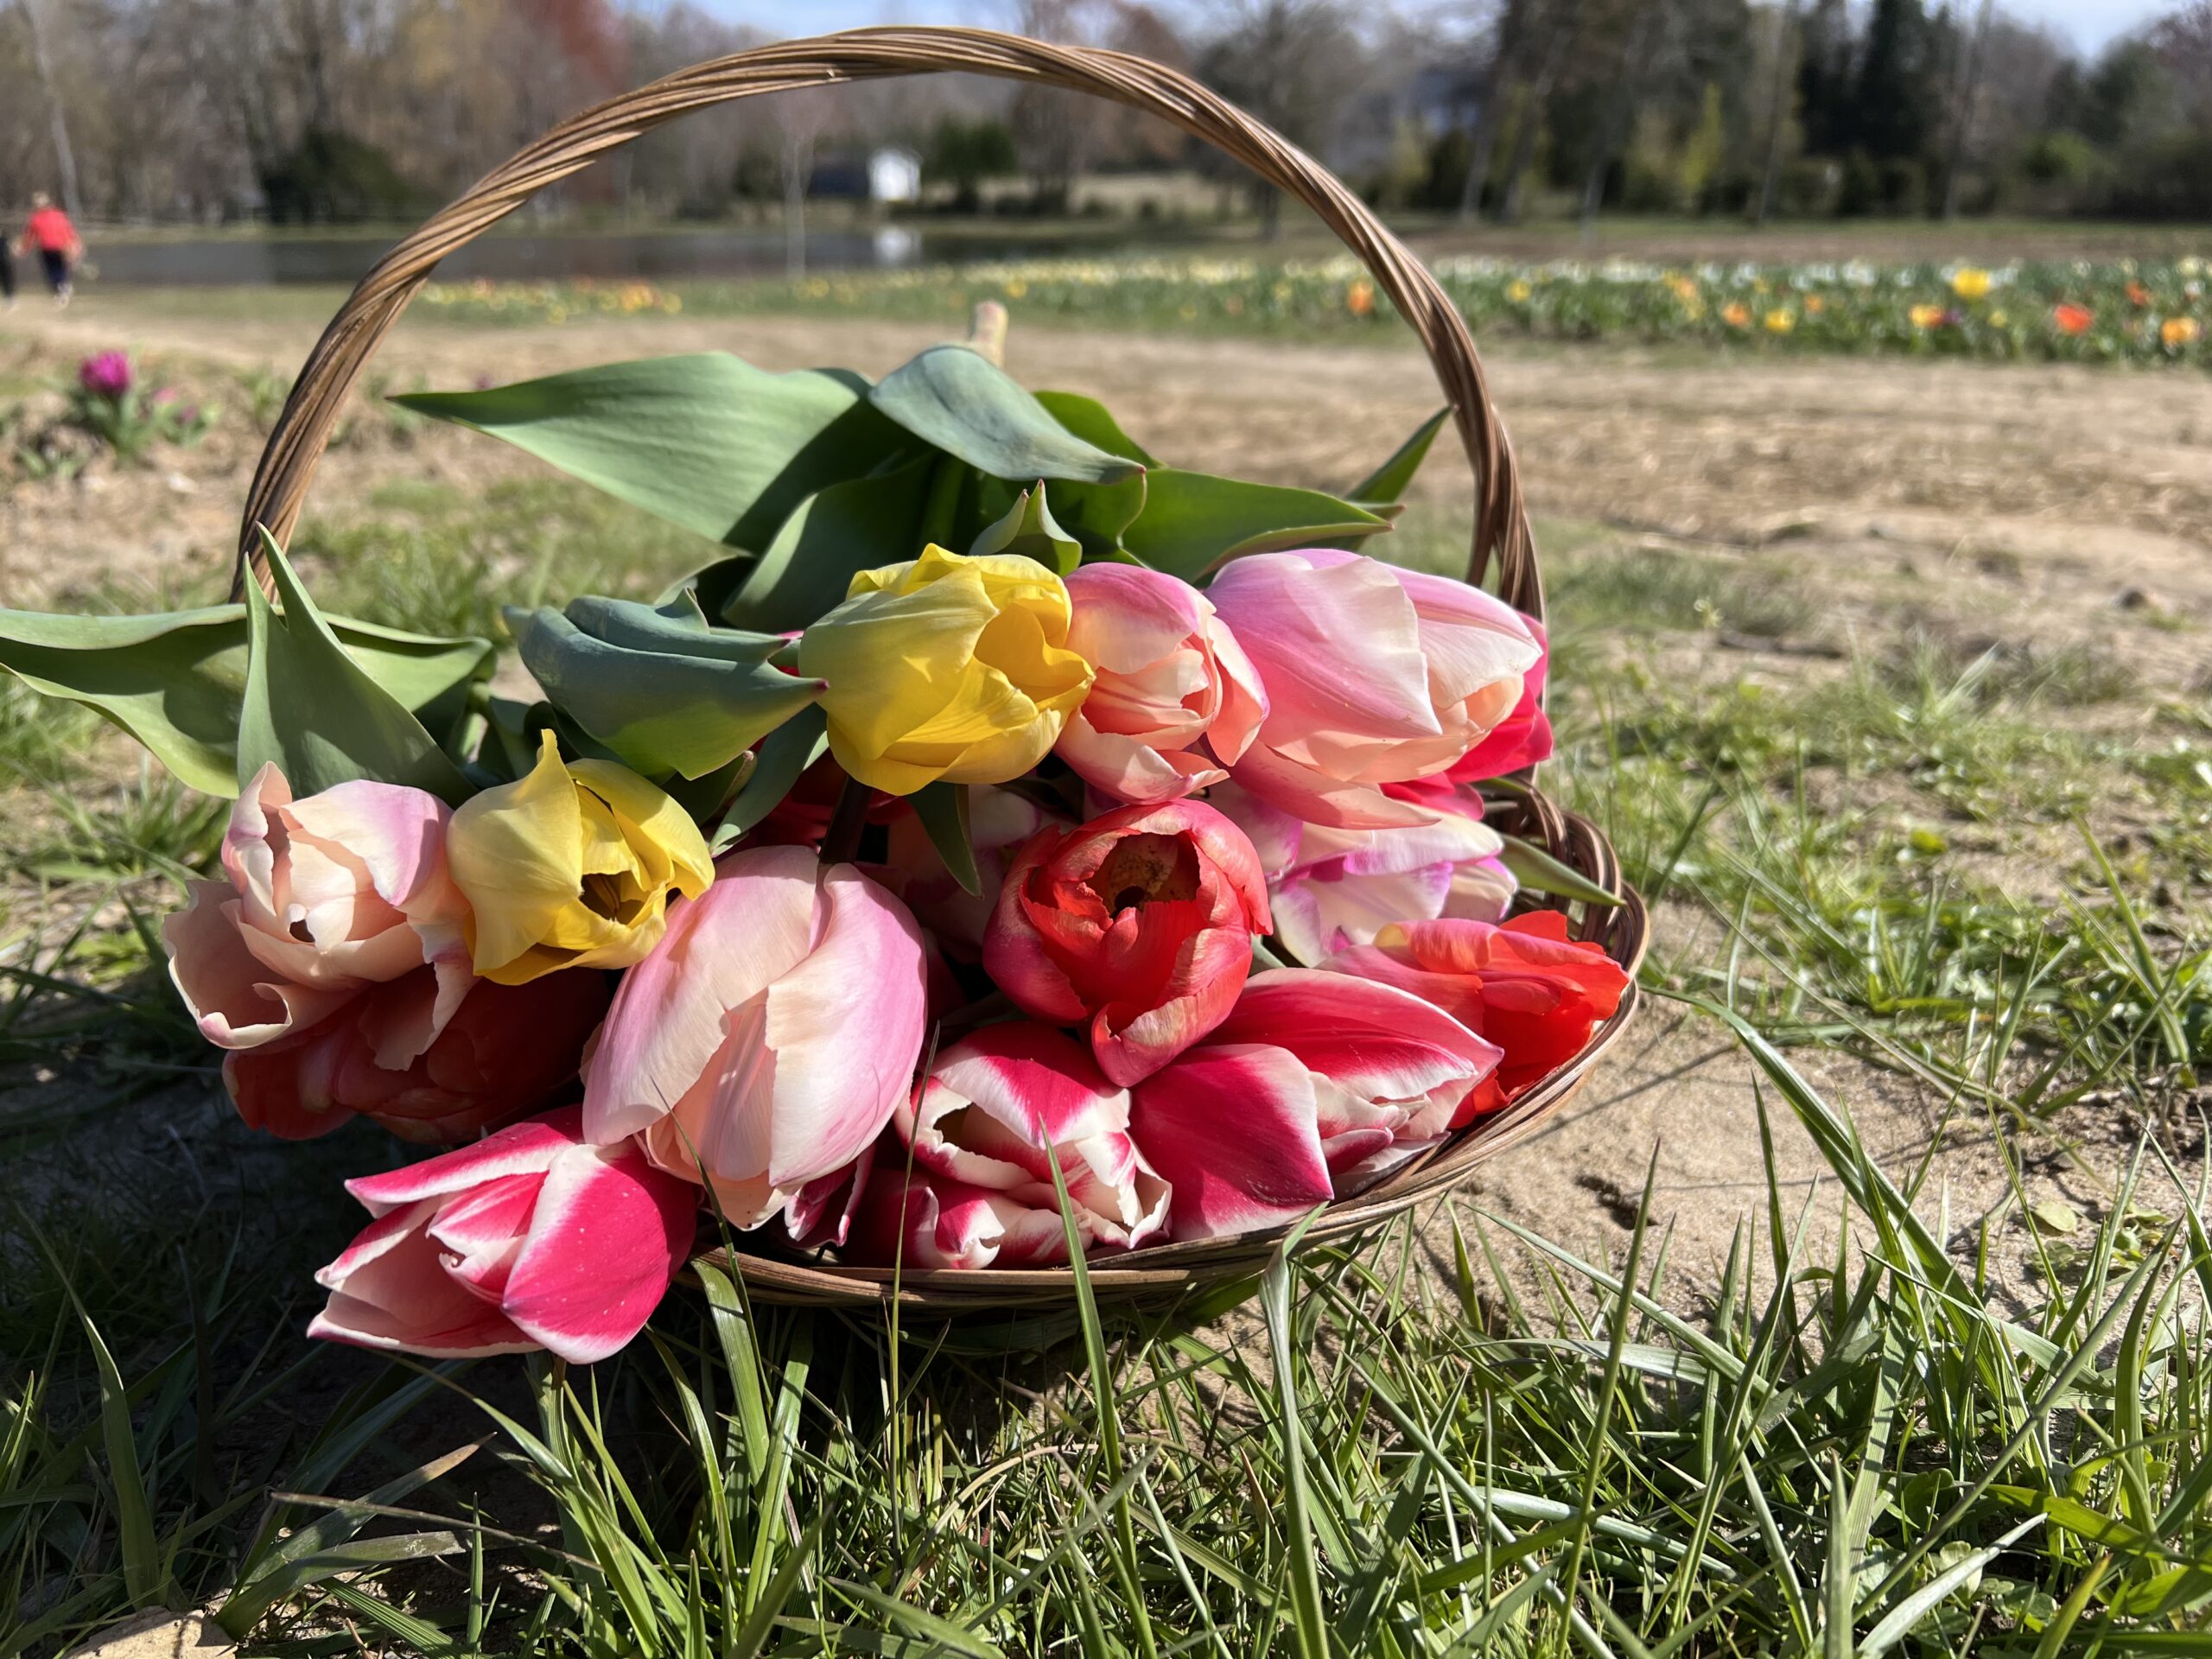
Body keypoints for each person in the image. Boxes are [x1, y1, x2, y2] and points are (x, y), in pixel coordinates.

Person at [19, 193, 81, 306]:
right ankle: (63, 288)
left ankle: (62, 290)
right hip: (54, 248)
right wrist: (74, 245)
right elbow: (70, 231)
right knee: (58, 270)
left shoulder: (36, 218)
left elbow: (29, 237)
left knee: (54, 271)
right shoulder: (58, 215)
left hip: (54, 248)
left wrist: (24, 249)